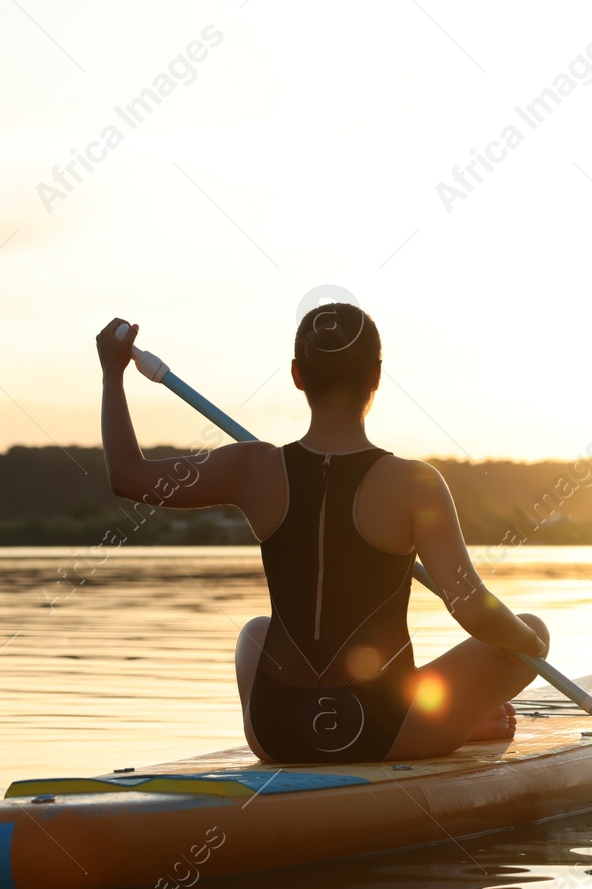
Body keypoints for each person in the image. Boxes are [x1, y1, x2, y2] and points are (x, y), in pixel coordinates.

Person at [96, 304, 549, 764]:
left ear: (297, 375)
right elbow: (470, 607)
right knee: (530, 626)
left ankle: (458, 722)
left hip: (275, 731)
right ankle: (455, 722)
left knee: (256, 632)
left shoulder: (251, 467)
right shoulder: (416, 483)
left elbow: (128, 477)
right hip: (381, 731)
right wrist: (530, 645)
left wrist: (112, 375)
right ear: (376, 376)